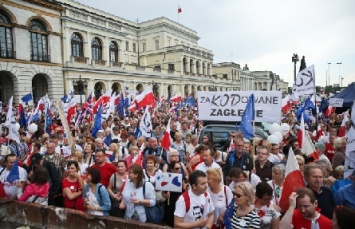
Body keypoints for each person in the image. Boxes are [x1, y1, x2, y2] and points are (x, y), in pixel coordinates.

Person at [162, 160, 188, 227]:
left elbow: (188, 193)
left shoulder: (184, 178)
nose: (179, 170)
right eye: (177, 168)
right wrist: (165, 194)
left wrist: (185, 188)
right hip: (170, 203)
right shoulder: (167, 178)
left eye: (180, 168)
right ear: (171, 169)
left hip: (181, 204)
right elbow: (163, 193)